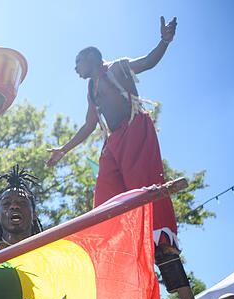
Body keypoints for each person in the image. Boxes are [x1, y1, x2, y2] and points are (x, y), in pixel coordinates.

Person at [45, 17, 185, 285]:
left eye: (78, 63)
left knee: (146, 186)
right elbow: (89, 125)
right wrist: (64, 149)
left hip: (135, 127)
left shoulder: (119, 67)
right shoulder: (91, 88)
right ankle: (120, 253)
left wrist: (164, 41)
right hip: (113, 141)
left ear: (91, 59)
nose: (75, 69)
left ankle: (163, 243)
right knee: (106, 199)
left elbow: (148, 62)